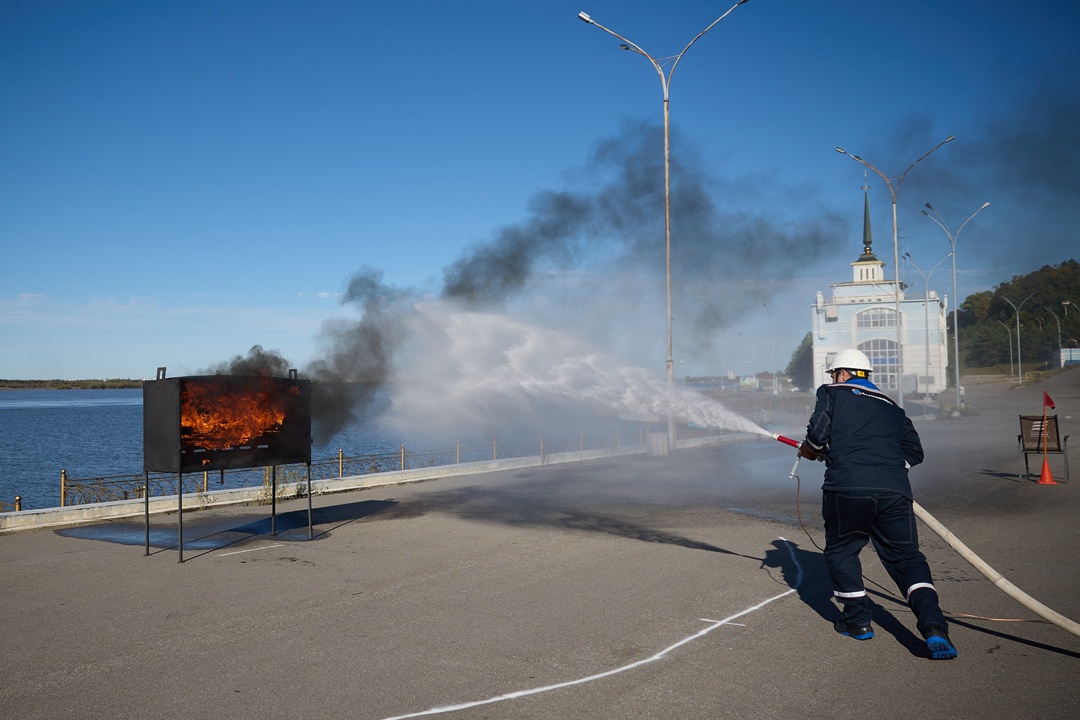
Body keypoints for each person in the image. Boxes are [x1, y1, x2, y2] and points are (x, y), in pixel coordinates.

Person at [798, 348, 958, 660]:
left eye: (833, 374)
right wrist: (886, 468)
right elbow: (914, 451)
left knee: (842, 550)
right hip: (894, 491)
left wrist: (811, 450)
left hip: (847, 489)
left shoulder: (832, 392)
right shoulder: (892, 406)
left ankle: (857, 622)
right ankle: (934, 627)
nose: (832, 379)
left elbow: (818, 435)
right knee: (907, 559)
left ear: (842, 373)